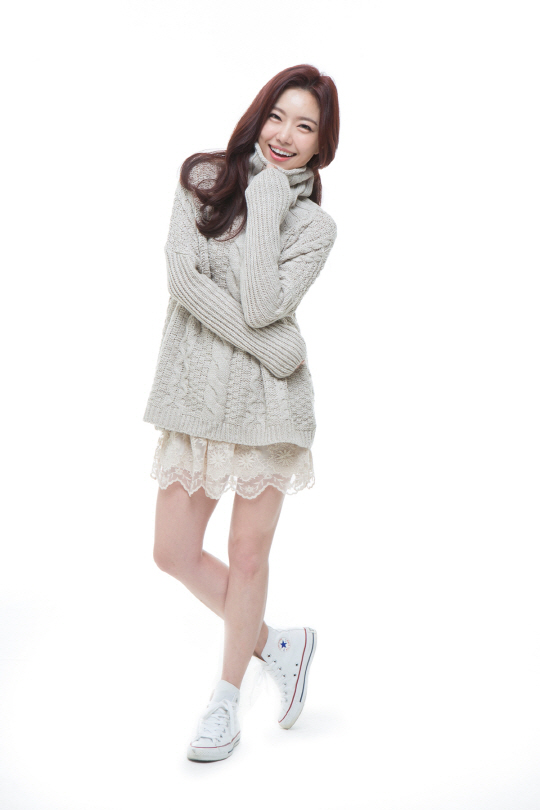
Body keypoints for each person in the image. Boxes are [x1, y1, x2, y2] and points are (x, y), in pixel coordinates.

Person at [143, 63, 339, 762]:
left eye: (305, 127)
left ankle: (225, 701)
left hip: (268, 406)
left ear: (321, 145)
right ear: (259, 115)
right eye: (278, 117)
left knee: (248, 554)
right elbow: (183, 282)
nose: (285, 135)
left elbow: (260, 302)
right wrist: (277, 346)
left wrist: (269, 200)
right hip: (198, 395)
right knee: (171, 552)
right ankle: (277, 645)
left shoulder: (314, 225)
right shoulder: (202, 179)